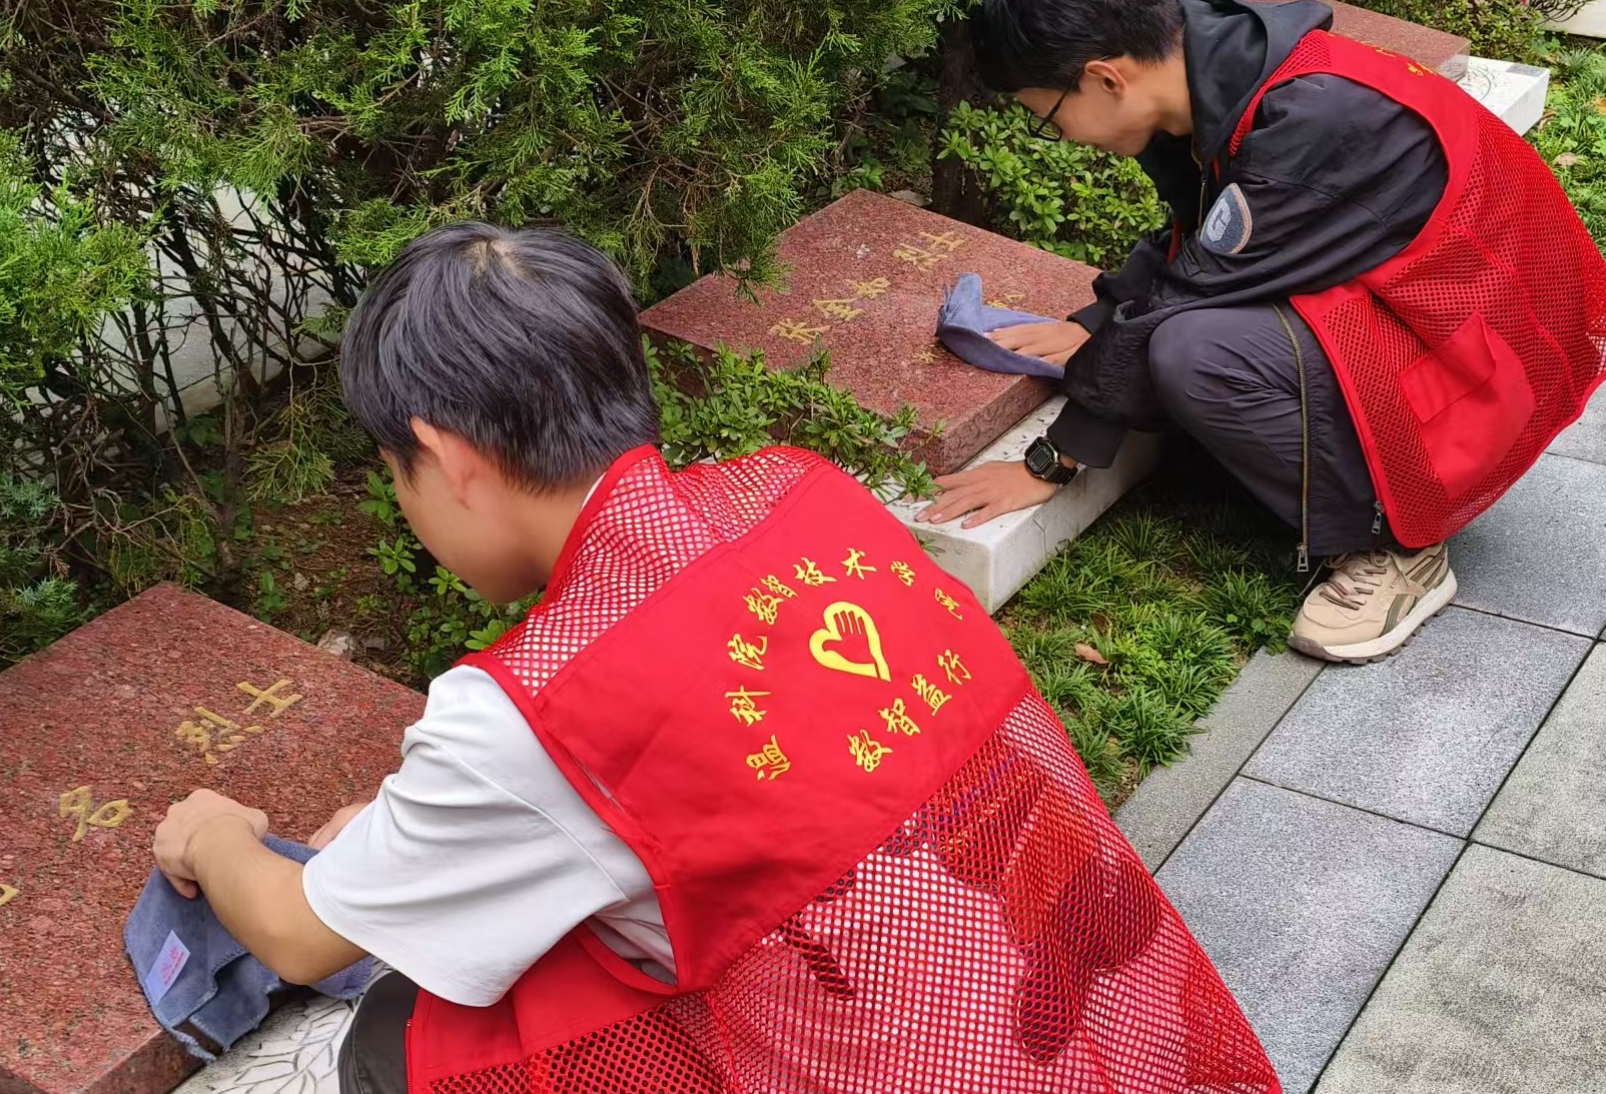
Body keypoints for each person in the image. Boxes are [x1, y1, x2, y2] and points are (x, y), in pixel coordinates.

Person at [151, 222, 1279, 1094]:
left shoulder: (528, 710)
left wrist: (213, 834)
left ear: (446, 459)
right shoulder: (798, 491)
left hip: (864, 1050)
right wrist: (414, 828)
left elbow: (299, 936)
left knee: (403, 1039)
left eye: (394, 475)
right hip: (1077, 1005)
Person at [920, 0, 1606, 664]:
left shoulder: (1307, 122)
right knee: (1181, 341)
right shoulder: (1217, 59)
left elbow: (1196, 289)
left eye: (1048, 117)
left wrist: (1051, 461)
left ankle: (1393, 546)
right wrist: (1099, 318)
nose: (1063, 137)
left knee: (1194, 354)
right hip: (1443, 307)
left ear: (1106, 78)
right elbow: (1205, 225)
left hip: (1489, 357)